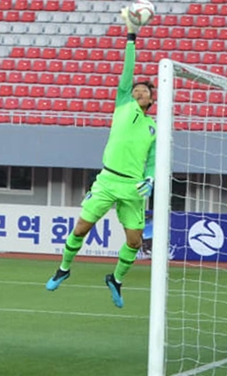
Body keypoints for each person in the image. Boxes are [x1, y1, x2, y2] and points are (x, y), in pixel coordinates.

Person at [45, 10, 157, 309]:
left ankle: (116, 279)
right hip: (107, 180)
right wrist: (132, 36)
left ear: (151, 99)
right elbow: (127, 70)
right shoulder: (123, 104)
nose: (138, 91)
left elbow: (152, 161)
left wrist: (151, 178)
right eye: (135, 89)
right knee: (81, 228)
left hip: (133, 188)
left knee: (135, 242)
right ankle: (63, 269)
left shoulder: (154, 127)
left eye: (143, 91)